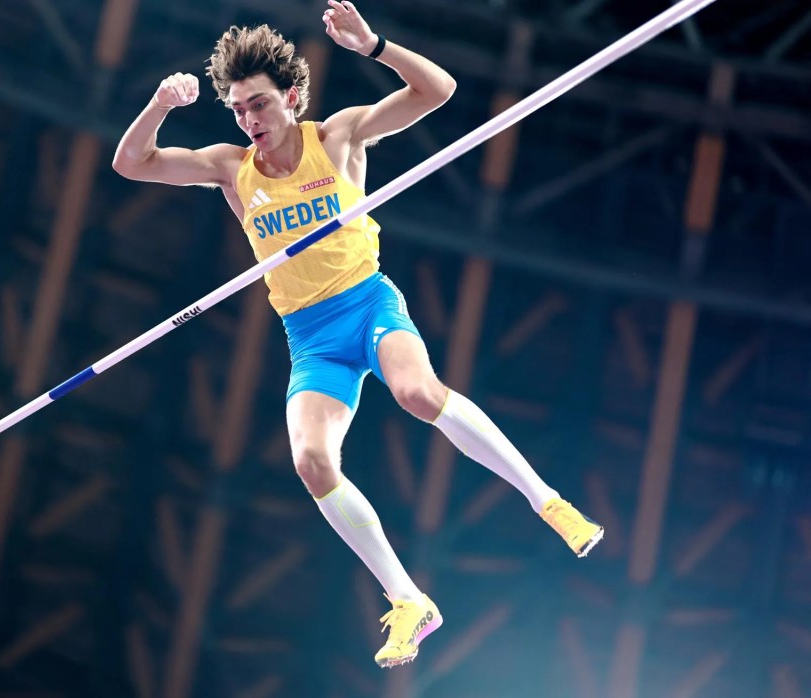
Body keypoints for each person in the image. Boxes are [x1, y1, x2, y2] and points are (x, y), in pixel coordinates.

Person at [112, 0, 603, 669]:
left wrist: (374, 47)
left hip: (368, 304)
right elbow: (131, 163)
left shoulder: (337, 137)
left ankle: (548, 502)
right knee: (312, 462)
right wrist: (162, 104)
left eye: (257, 106)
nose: (248, 121)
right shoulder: (231, 166)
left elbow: (439, 91)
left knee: (418, 394)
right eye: (236, 111)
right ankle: (408, 600)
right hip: (309, 338)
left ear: (289, 98)